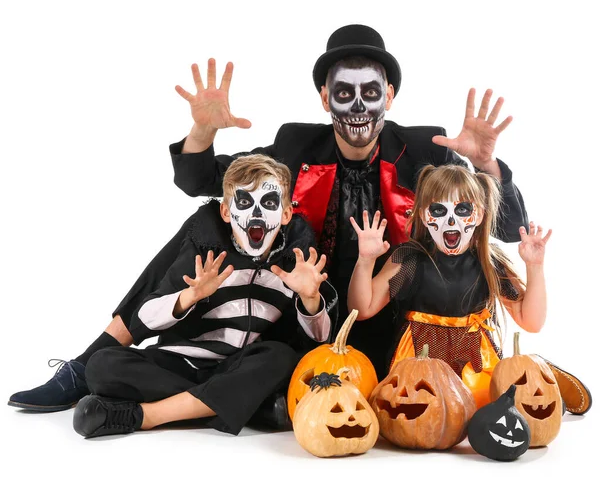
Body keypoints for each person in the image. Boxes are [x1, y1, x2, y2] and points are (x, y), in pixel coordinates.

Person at [13, 24, 588, 418]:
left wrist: (487, 165)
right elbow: (204, 181)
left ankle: (506, 372)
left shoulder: (423, 149)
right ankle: (89, 362)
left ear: (390, 94)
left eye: (370, 91)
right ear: (323, 98)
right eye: (343, 93)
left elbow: (508, 229)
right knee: (206, 219)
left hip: (392, 315)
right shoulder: (296, 143)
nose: (357, 105)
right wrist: (204, 133)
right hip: (301, 301)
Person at [72, 154, 331, 438]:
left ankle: (144, 416)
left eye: (268, 204)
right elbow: (142, 318)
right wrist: (190, 296)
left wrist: (310, 297)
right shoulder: (204, 251)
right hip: (182, 365)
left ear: (285, 214)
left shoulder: (295, 264)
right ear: (225, 212)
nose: (256, 214)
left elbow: (319, 340)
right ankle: (249, 406)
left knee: (280, 357)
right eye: (244, 203)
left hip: (237, 367)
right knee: (101, 366)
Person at [348, 164, 549, 408]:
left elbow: (532, 321)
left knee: (482, 408)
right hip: (418, 364)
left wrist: (535, 267)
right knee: (419, 411)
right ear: (423, 215)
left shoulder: (489, 261)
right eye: (439, 210)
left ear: (479, 215)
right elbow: (361, 308)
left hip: (475, 364)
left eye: (463, 209)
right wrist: (365, 260)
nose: (451, 220)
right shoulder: (410, 258)